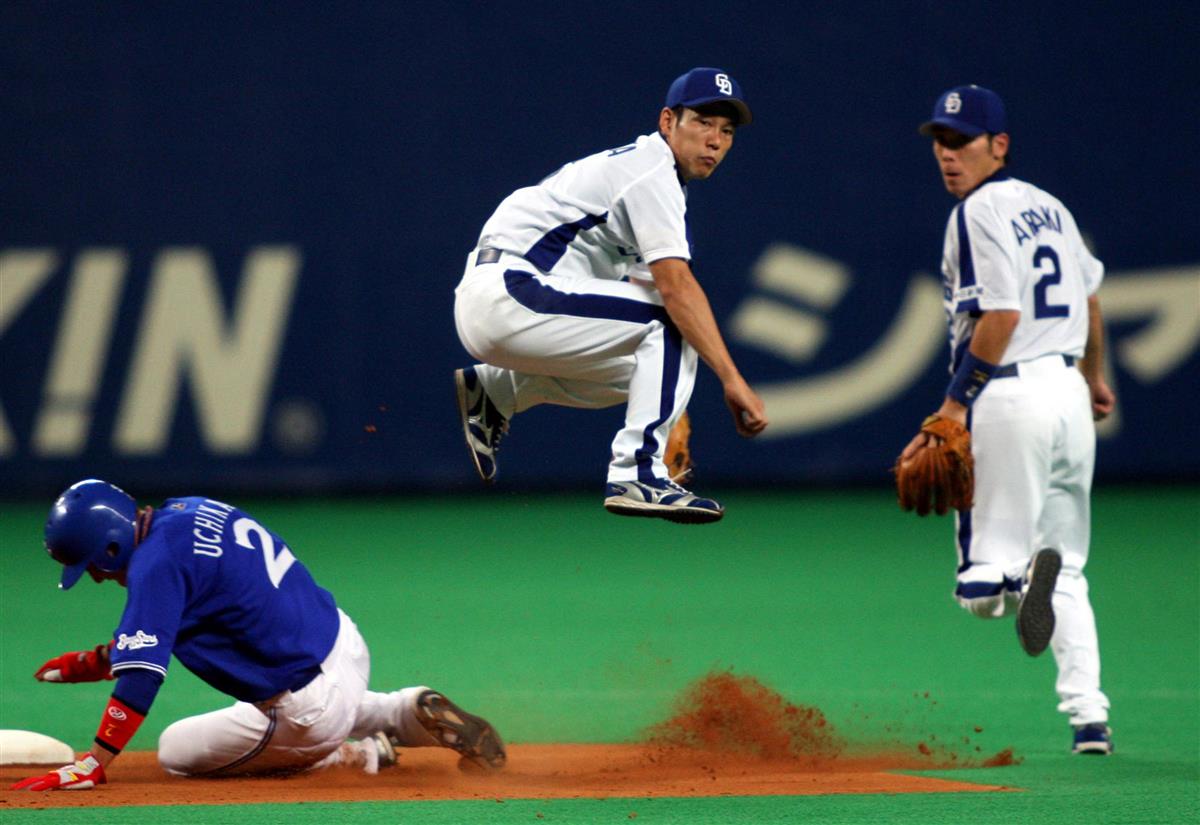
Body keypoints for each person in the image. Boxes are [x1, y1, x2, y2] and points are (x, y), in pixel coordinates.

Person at [11, 479, 506, 791]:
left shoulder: (155, 567)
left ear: (112, 546)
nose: (94, 576)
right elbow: (180, 615)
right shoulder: (188, 509)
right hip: (344, 644)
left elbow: (142, 679)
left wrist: (94, 762)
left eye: (91, 565)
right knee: (330, 702)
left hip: (308, 707)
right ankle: (403, 709)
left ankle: (358, 754)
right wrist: (98, 660)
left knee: (176, 751)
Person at [452, 67, 768, 524]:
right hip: (511, 291)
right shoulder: (650, 172)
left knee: (637, 370)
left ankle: (498, 389)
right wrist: (732, 380)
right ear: (667, 122)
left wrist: (674, 413)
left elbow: (653, 311)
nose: (715, 140)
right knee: (672, 319)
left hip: (507, 304)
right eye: (702, 122)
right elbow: (676, 295)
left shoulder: (656, 185)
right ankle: (637, 473)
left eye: (726, 130)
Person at [901, 85, 1116, 754]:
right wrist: (1092, 377)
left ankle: (1015, 581)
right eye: (939, 140)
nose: (947, 153)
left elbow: (1001, 316)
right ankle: (1090, 719)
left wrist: (955, 404)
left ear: (999, 145)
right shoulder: (1052, 207)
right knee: (1069, 565)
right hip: (1068, 399)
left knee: (978, 579)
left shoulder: (974, 212)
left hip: (1009, 396)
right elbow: (1090, 297)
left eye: (961, 141)